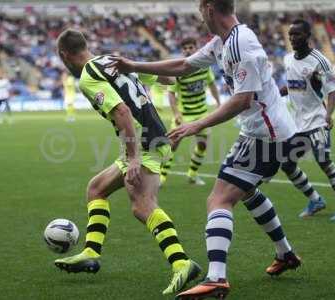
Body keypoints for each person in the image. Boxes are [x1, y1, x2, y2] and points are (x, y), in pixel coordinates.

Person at [107, 0, 301, 298]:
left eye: (200, 11)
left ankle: (216, 278)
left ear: (210, 9)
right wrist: (134, 66)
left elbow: (242, 100)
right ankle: (285, 254)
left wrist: (195, 125)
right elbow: (184, 66)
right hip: (262, 132)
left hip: (266, 136)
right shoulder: (223, 41)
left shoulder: (240, 45)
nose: (200, 17)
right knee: (245, 191)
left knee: (219, 199)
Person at [55, 29, 201, 296]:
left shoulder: (89, 76)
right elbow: (166, 78)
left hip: (143, 141)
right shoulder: (112, 60)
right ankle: (90, 253)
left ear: (64, 55)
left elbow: (121, 111)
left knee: (142, 205)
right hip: (150, 135)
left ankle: (182, 263)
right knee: (96, 188)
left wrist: (133, 157)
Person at [280, 19, 335, 221]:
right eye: (291, 34)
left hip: (316, 121)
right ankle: (315, 200)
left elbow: (332, 91)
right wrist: (276, 94)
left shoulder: (319, 61)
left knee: (324, 161)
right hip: (296, 124)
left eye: (297, 34)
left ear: (308, 36)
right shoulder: (287, 59)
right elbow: (293, 87)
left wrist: (328, 114)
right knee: (286, 164)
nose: (293, 38)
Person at [161, 37, 221, 186]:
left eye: (191, 47)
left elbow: (212, 84)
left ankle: (192, 174)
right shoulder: (179, 69)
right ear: (182, 51)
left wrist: (219, 102)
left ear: (196, 48)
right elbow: (171, 93)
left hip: (201, 114)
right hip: (184, 114)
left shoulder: (204, 66)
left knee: (202, 145)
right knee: (173, 144)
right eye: (185, 48)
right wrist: (176, 114)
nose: (188, 50)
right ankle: (161, 177)